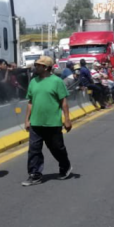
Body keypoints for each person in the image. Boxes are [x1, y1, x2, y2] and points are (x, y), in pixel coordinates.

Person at [22, 56, 73, 186]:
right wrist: (27, 119)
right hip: (36, 123)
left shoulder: (57, 82)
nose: (36, 67)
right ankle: (35, 174)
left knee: (57, 148)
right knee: (34, 150)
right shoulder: (33, 82)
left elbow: (64, 102)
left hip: (52, 123)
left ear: (46, 67)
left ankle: (65, 166)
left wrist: (67, 119)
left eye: (38, 65)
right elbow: (30, 102)